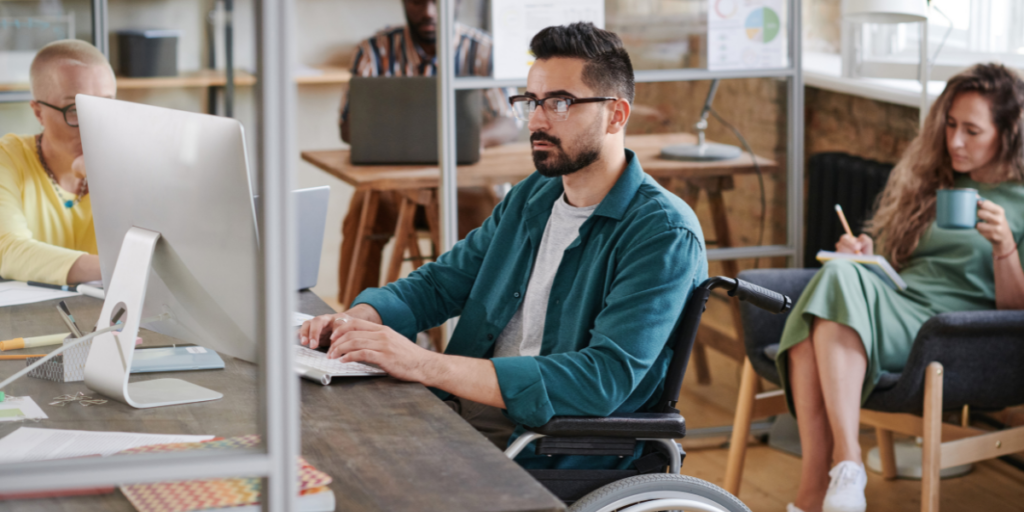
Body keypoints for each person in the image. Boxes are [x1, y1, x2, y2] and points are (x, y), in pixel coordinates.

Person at [303, 22, 708, 470]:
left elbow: (601, 378)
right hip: (468, 413)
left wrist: (423, 364)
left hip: (551, 445)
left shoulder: (663, 233)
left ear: (616, 114)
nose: (535, 121)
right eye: (530, 102)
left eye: (560, 103)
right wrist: (357, 320)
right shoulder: (534, 195)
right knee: (318, 439)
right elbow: (441, 283)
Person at [778, 63, 1024, 512]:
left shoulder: (1020, 204)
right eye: (950, 125)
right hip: (898, 302)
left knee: (819, 309)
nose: (954, 141)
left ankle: (832, 475)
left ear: (1007, 134)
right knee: (838, 274)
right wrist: (869, 255)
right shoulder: (934, 181)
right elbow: (897, 265)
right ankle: (837, 474)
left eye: (972, 130)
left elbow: (1015, 311)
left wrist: (1005, 246)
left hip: (957, 332)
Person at [337, 0, 520, 297]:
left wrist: (469, 140)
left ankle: (483, 326)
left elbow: (509, 122)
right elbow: (349, 127)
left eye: (439, 2)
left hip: (464, 187)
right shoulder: (374, 50)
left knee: (491, 226)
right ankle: (349, 321)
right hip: (393, 187)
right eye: (419, 2)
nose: (429, 12)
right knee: (362, 214)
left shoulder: (483, 49)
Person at [0, 39, 116, 285]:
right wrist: (117, 268)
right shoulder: (8, 158)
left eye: (105, 105)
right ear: (38, 112)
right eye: (74, 109)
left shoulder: (132, 160)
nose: (93, 125)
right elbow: (8, 250)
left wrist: (107, 173)